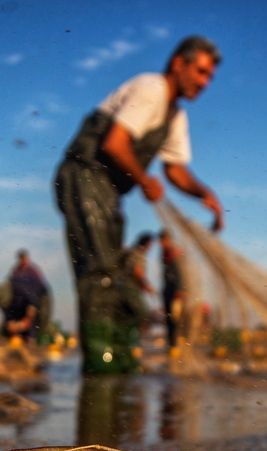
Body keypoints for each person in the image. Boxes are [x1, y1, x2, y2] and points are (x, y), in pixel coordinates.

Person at [54, 35, 224, 373]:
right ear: (179, 64)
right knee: (100, 274)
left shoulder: (176, 118)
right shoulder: (152, 89)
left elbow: (174, 169)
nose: (204, 83)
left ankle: (115, 362)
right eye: (200, 72)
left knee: (115, 274)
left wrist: (205, 194)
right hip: (84, 175)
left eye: (209, 78)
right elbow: (116, 144)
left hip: (109, 191)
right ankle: (101, 370)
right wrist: (145, 181)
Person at [3, 249, 50, 341]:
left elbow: (37, 292)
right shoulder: (15, 271)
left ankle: (33, 340)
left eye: (24, 258)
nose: (23, 261)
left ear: (27, 258)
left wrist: (28, 317)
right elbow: (9, 286)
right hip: (20, 301)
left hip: (36, 299)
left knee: (34, 323)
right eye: (21, 258)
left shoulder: (33, 271)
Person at [159, 229, 184, 348]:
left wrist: (179, 290)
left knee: (176, 318)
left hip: (175, 291)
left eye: (163, 240)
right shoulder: (163, 253)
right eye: (161, 241)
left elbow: (179, 272)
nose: (161, 243)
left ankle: (176, 343)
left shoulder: (174, 252)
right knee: (169, 318)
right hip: (167, 290)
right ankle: (172, 344)